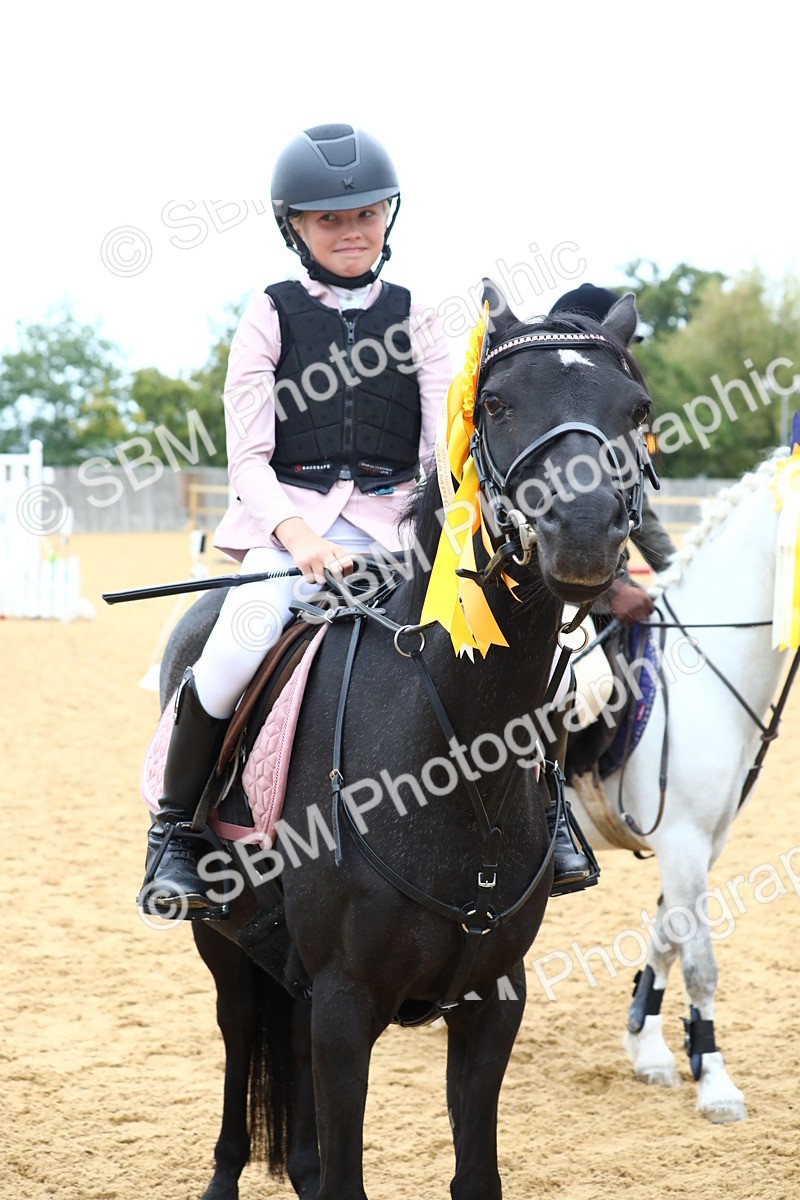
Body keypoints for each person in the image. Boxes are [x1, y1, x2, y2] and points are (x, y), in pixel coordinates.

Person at [539, 283, 678, 892]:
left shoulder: (616, 421)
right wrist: (609, 591)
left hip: (597, 577)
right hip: (542, 585)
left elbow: (640, 517)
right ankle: (553, 802)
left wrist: (678, 575)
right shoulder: (554, 416)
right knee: (586, 684)